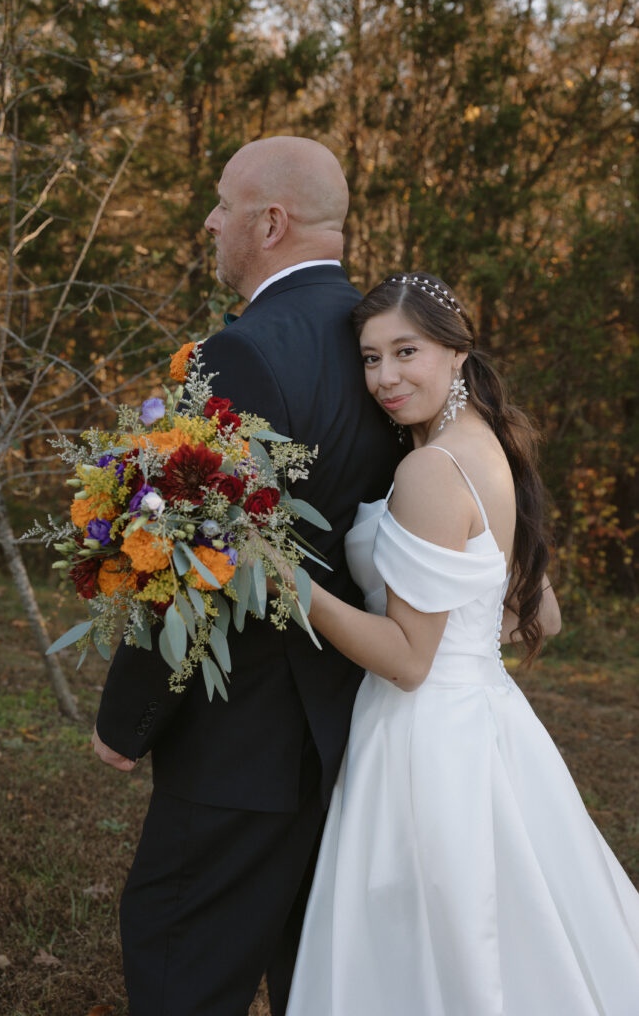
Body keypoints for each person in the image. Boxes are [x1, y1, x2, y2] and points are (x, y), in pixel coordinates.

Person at [91, 137, 403, 1015]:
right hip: (354, 731)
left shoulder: (243, 354)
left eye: (223, 203)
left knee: (179, 956)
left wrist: (128, 717)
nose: (210, 219)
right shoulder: (389, 346)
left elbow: (192, 559)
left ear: (270, 222)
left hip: (242, 739)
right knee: (311, 976)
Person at [282, 272, 639, 1015]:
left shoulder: (428, 470)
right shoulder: (487, 449)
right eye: (370, 358)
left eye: (404, 351)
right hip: (485, 720)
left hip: (423, 741)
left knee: (426, 946)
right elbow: (541, 617)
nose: (383, 377)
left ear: (455, 353)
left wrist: (287, 585)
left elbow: (410, 662)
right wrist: (468, 639)